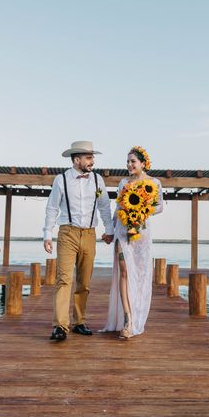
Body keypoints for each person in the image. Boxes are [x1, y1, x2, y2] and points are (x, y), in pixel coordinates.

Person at [43, 140, 114, 341]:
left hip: (90, 234)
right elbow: (52, 208)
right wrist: (47, 234)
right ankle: (60, 326)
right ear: (77, 160)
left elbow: (104, 207)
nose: (93, 161)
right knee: (64, 279)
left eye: (92, 157)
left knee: (84, 281)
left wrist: (109, 230)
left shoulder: (98, 180)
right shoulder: (61, 179)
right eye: (89, 157)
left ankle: (79, 322)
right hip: (67, 233)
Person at [103, 146, 163, 338]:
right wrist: (110, 231)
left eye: (132, 162)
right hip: (122, 232)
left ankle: (138, 315)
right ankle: (127, 319)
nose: (129, 165)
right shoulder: (123, 183)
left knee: (140, 274)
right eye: (127, 161)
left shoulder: (154, 183)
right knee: (124, 270)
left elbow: (160, 206)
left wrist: (144, 209)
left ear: (143, 164)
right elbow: (118, 207)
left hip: (142, 235)